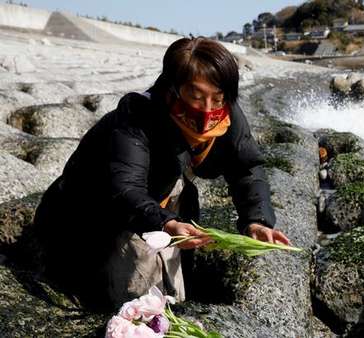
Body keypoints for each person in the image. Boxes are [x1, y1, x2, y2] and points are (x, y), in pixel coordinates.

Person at [33, 37, 288, 309]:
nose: (207, 110)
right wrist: (166, 224)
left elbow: (246, 167)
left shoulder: (226, 114)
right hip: (96, 213)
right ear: (171, 89)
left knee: (173, 297)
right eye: (196, 96)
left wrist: (257, 220)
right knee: (132, 301)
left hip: (161, 203)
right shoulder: (135, 117)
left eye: (217, 97)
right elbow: (126, 190)